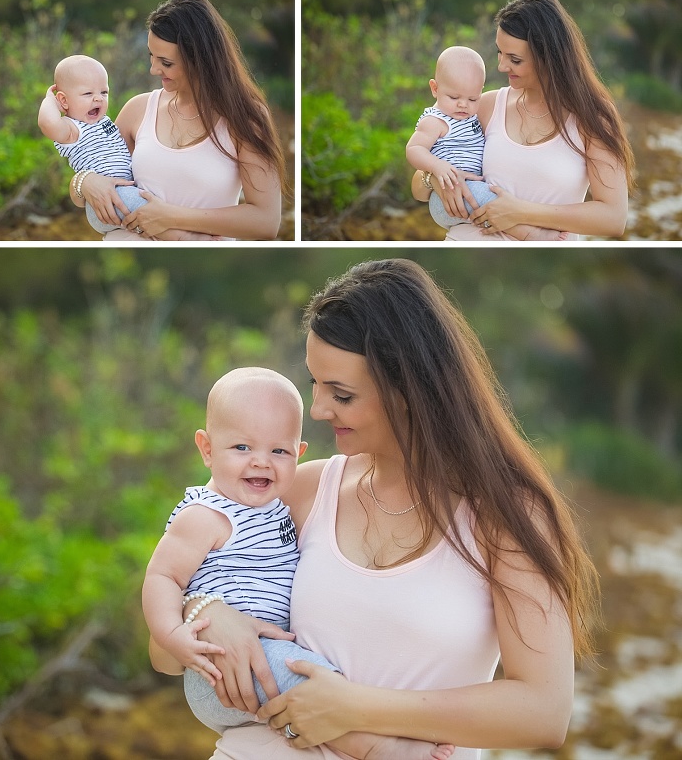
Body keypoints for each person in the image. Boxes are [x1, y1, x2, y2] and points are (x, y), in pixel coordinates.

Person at [149, 259, 601, 760]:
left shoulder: (509, 516)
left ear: (408, 388)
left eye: (341, 394)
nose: (318, 410)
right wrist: (205, 612)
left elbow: (544, 711)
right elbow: (166, 658)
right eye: (316, 385)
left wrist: (358, 710)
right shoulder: (300, 490)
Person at [143, 367, 454, 760]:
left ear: (299, 453)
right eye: (241, 448)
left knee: (309, 682)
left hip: (259, 670)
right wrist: (176, 633)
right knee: (316, 683)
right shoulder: (205, 516)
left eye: (278, 451)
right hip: (225, 670)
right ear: (206, 448)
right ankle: (376, 746)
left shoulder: (277, 510)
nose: (260, 462)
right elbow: (162, 576)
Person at [411, 0, 634, 241]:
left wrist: (521, 213)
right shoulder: (485, 105)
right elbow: (418, 187)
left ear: (548, 57)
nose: (502, 66)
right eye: (500, 53)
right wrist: (435, 179)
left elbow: (614, 218)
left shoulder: (594, 117)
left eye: (515, 59)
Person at [73, 0, 285, 241]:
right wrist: (84, 182)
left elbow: (266, 222)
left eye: (166, 62)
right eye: (151, 56)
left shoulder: (245, 118)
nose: (154, 69)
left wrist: (171, 217)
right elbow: (89, 184)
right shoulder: (138, 109)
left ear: (201, 58)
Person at [406, 46, 565, 241]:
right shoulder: (435, 120)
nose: (463, 105)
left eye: (472, 98)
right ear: (435, 89)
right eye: (454, 97)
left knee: (488, 197)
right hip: (447, 198)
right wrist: (436, 169)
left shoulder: (471, 116)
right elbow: (414, 149)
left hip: (466, 199)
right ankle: (529, 233)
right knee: (491, 198)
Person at [37, 55, 151, 236]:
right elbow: (48, 123)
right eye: (88, 94)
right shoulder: (72, 129)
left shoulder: (103, 122)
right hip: (104, 202)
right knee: (150, 209)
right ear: (64, 101)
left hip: (123, 194)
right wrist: (50, 100)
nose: (98, 99)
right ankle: (179, 236)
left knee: (150, 203)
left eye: (103, 92)